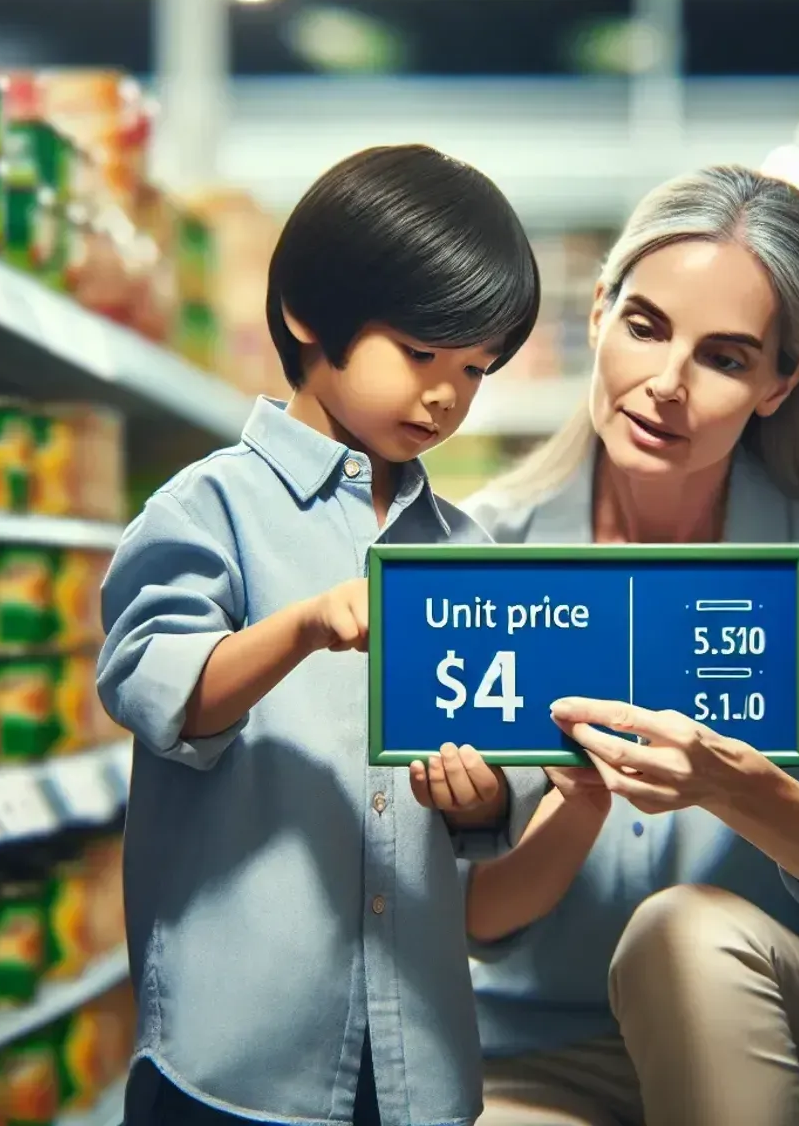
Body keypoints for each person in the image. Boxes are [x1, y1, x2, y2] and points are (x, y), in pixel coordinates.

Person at [460, 164, 799, 1126]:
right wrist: (571, 809)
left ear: (779, 383)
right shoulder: (480, 553)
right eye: (645, 327)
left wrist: (730, 783)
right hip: (539, 1053)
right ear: (599, 311)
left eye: (724, 358)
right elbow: (469, 909)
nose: (667, 385)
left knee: (682, 934)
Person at [96, 144, 546, 1126]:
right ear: (308, 312)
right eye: (420, 353)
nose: (446, 395)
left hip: (419, 1055)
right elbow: (156, 689)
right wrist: (299, 627)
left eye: (474, 369)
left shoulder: (465, 552)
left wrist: (481, 794)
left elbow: (504, 771)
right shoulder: (208, 509)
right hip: (235, 1054)